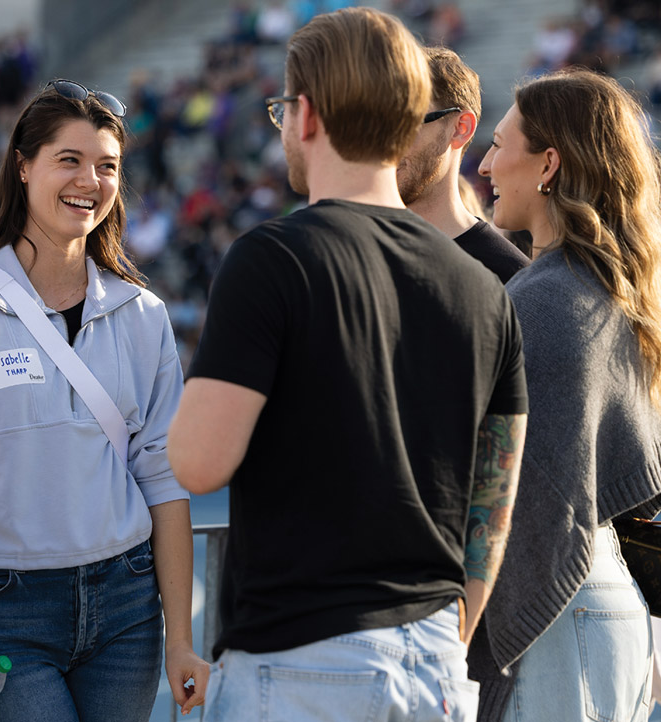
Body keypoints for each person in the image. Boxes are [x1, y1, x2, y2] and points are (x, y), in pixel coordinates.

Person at [167, 8, 529, 720]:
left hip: (304, 659)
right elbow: (494, 505)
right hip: (434, 662)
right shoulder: (484, 286)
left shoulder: (271, 258)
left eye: (282, 110)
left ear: (308, 116)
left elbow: (199, 463)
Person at [0, 79, 208, 722]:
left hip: (127, 611)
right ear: (24, 166)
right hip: (4, 614)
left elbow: (164, 482)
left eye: (107, 166)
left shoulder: (145, 315)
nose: (90, 180)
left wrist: (182, 639)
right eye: (70, 160)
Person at [469, 67, 661, 722]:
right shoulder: (602, 285)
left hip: (558, 620)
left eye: (500, 145)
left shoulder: (547, 298)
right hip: (601, 610)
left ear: (548, 163)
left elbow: (536, 508)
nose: (486, 163)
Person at [398, 45, 530, 283]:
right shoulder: (343, 252)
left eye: (404, 123)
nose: (385, 143)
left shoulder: (509, 278)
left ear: (461, 128)